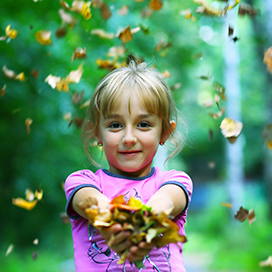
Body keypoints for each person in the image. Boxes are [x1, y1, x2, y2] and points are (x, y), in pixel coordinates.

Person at [65, 58, 193, 272]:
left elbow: (166, 203)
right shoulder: (81, 182)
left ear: (165, 132)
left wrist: (142, 230)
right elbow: (92, 203)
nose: (129, 138)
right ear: (97, 132)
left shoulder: (175, 182)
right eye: (115, 125)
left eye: (143, 124)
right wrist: (110, 225)